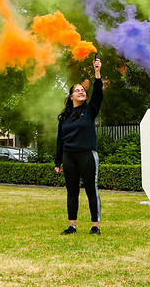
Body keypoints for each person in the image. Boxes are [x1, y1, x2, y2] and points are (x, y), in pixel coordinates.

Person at [54, 56, 103, 235]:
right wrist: (57, 162)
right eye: (78, 90)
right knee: (72, 192)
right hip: (69, 156)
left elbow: (98, 94)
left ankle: (95, 226)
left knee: (91, 190)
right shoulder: (65, 117)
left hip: (87, 155)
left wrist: (97, 72)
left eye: (83, 90)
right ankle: (72, 226)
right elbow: (60, 140)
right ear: (71, 96)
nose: (82, 92)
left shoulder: (89, 111)